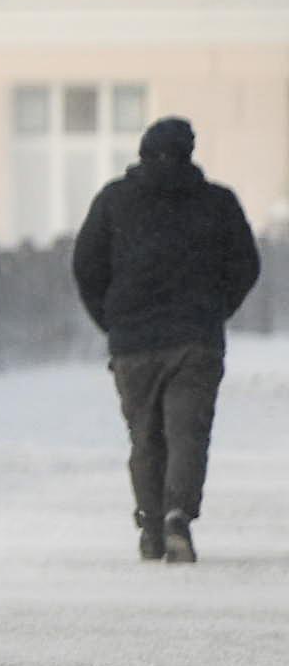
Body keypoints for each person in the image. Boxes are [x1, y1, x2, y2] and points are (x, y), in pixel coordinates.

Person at [71, 115, 261, 564]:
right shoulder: (217, 203)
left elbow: (86, 265)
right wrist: (215, 309)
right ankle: (178, 513)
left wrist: (112, 318)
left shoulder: (113, 202)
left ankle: (150, 524)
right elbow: (246, 266)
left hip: (133, 343)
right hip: (195, 340)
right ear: (190, 152)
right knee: (187, 432)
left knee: (145, 436)